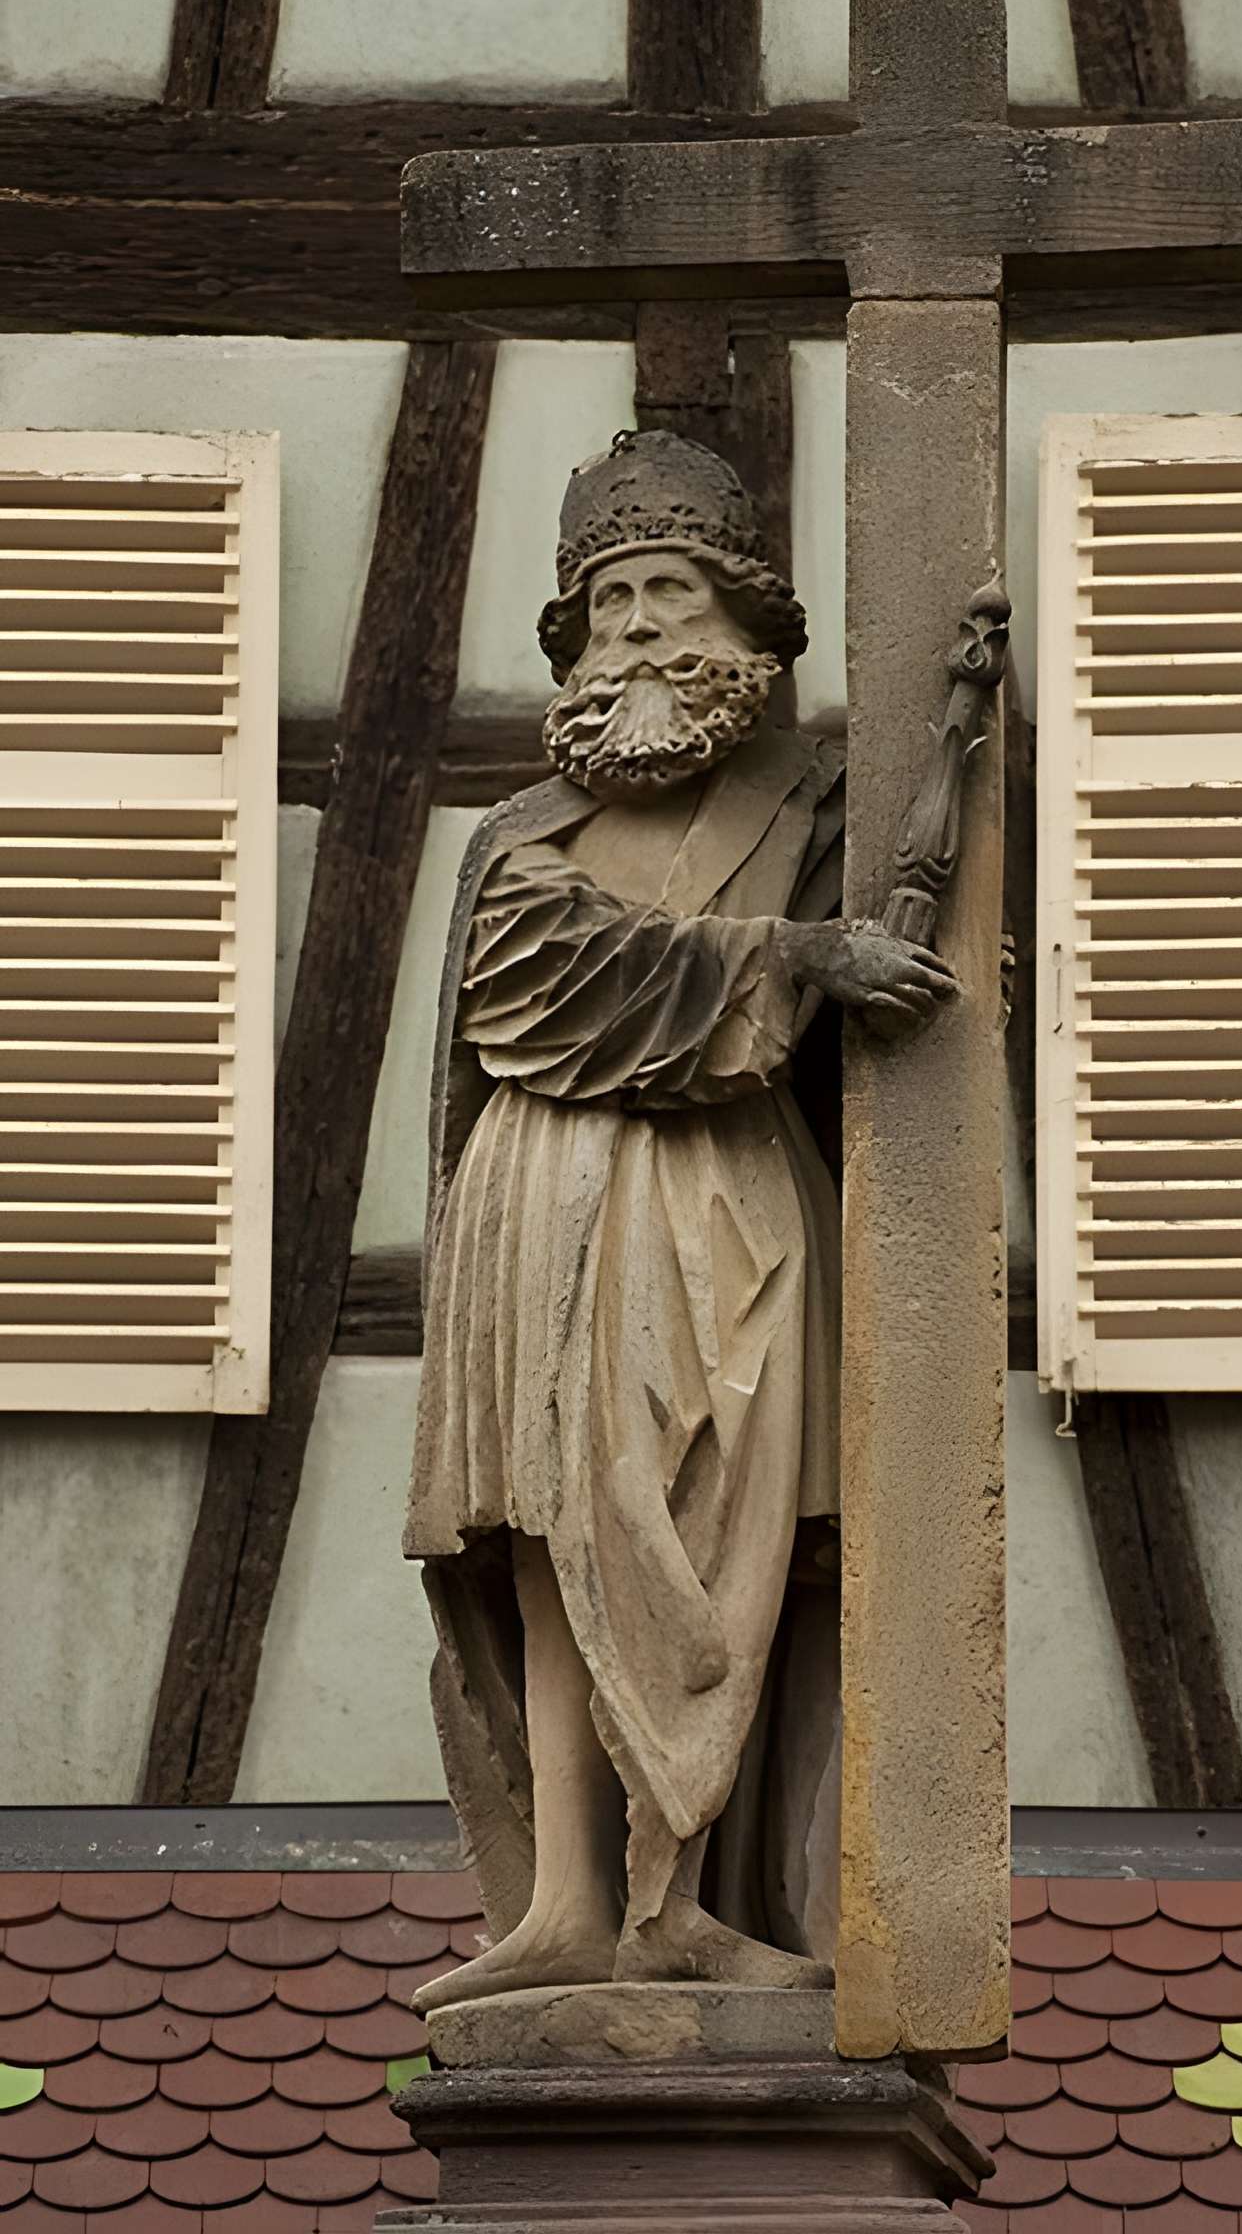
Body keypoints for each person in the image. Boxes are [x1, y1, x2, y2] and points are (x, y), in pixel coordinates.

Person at [405, 431, 955, 2005]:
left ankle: (687, 1898)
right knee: (552, 1533)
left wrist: (957, 751)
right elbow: (531, 990)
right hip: (534, 1201)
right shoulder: (517, 837)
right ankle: (566, 1904)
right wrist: (795, 958)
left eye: (674, 593)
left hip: (723, 1198)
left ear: (747, 627)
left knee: (721, 1530)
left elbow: (916, 951)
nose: (640, 626)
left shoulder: (812, 804)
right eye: (611, 602)